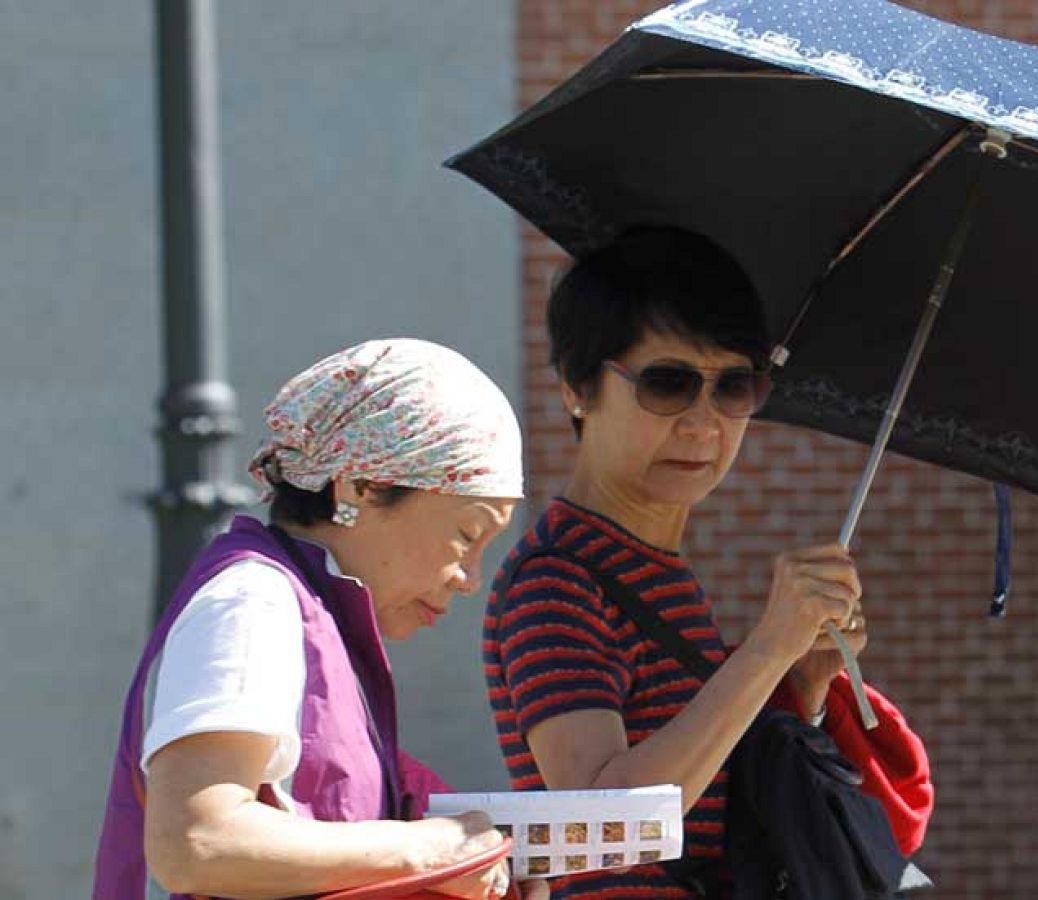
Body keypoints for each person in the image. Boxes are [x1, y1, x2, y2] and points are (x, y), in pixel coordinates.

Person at [483, 229, 934, 899]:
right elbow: (601, 822)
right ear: (578, 389)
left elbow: (706, 804)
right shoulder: (558, 580)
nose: (704, 424)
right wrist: (766, 649)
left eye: (734, 387)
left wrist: (799, 681)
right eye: (668, 385)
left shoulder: (654, 569)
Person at [95, 339, 528, 900]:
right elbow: (196, 840)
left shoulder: (311, 612)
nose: (470, 578)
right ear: (361, 486)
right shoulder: (253, 603)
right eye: (468, 535)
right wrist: (426, 848)